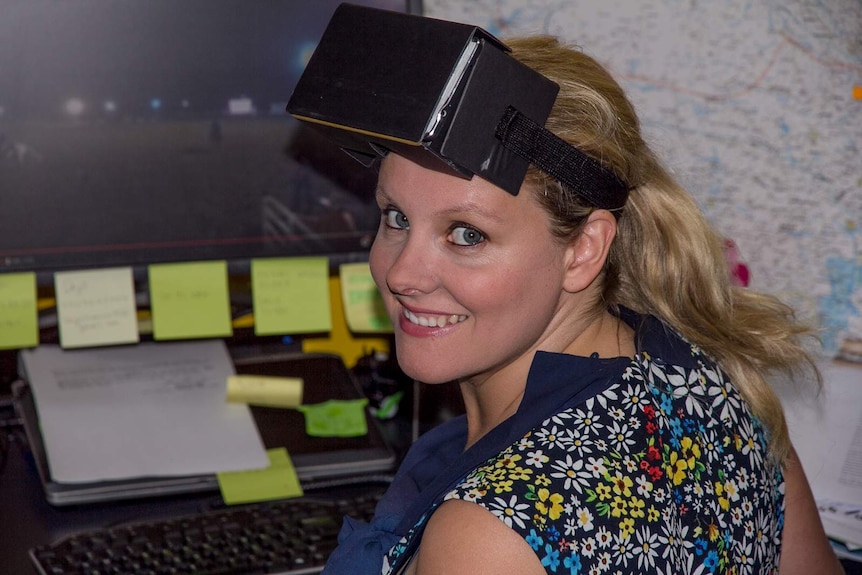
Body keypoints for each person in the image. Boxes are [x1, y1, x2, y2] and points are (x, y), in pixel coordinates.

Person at [293, 9, 843, 575]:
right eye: (396, 217)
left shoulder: (488, 538)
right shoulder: (724, 386)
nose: (403, 273)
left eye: (466, 235)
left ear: (583, 249)